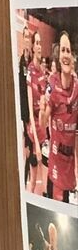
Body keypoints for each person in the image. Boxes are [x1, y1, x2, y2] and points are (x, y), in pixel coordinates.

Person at [43, 31, 78, 203]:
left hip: (70, 174)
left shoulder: (77, 87)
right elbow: (43, 122)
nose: (66, 54)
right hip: (55, 171)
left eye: (68, 51)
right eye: (63, 50)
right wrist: (43, 110)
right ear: (59, 56)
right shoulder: (52, 84)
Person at [27, 31, 48, 195]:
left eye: (41, 43)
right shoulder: (30, 71)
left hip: (43, 131)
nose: (39, 46)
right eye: (37, 43)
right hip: (33, 133)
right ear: (33, 46)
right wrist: (36, 144)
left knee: (45, 180)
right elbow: (29, 107)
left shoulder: (42, 71)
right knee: (34, 180)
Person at [19, 25, 33, 185]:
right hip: (25, 112)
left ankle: (27, 175)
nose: (27, 40)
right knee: (27, 147)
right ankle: (24, 178)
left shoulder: (31, 62)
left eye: (29, 37)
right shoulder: (22, 62)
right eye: (26, 37)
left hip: (33, 111)